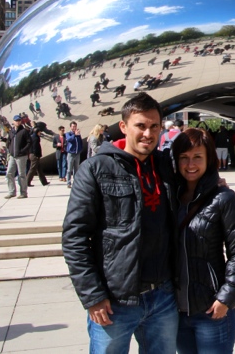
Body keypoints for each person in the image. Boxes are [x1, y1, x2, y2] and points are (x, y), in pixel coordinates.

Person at [62, 93, 178, 353]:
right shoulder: (95, 169)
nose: (148, 133)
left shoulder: (164, 166)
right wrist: (93, 296)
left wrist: (215, 183)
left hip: (162, 296)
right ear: (124, 127)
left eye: (154, 126)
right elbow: (75, 237)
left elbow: (197, 171)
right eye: (141, 125)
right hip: (115, 301)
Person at [171, 128, 235, 354]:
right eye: (184, 158)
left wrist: (227, 297)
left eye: (197, 157)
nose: (190, 164)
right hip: (176, 311)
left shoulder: (223, 198)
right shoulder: (171, 198)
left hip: (211, 309)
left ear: (210, 159)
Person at [5, 115, 31, 199]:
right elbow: (8, 141)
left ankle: (23, 192)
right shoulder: (11, 131)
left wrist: (23, 151)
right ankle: (12, 191)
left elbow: (29, 142)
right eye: (16, 121)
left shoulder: (24, 131)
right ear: (13, 121)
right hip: (13, 155)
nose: (18, 122)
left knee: (21, 174)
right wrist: (10, 150)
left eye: (19, 120)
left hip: (21, 156)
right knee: (9, 173)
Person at [65, 121, 83, 189]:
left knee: (76, 168)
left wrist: (80, 149)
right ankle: (68, 182)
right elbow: (69, 139)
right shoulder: (68, 134)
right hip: (71, 153)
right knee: (69, 169)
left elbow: (80, 142)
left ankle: (76, 182)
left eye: (75, 126)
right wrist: (75, 135)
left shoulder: (78, 134)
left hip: (77, 153)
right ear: (70, 127)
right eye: (73, 126)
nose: (74, 128)